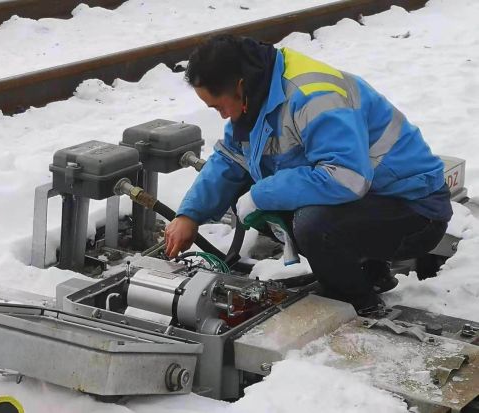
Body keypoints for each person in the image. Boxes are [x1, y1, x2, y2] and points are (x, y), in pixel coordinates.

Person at [163, 34, 452, 311]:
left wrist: (262, 194)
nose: (222, 115)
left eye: (219, 106)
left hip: (416, 212)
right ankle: (365, 271)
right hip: (371, 202)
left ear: (239, 87)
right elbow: (229, 160)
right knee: (242, 190)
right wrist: (189, 216)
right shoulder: (257, 91)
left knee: (312, 224)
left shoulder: (313, 96)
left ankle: (356, 301)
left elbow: (347, 178)